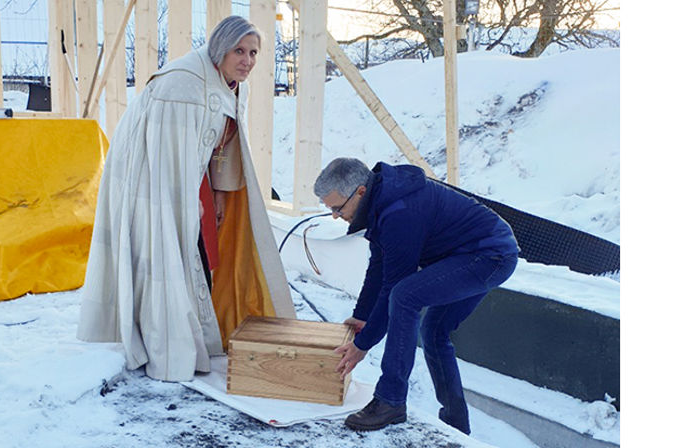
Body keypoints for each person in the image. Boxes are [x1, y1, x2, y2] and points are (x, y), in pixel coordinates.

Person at [77, 16, 295, 382]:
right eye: (239, 51)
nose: (247, 61)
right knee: (168, 250)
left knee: (203, 250)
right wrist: (184, 198)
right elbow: (165, 156)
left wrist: (219, 193)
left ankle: (201, 326)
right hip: (153, 183)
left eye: (254, 53)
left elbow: (221, 144)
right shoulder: (183, 85)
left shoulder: (231, 85)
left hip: (193, 178)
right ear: (220, 49)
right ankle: (169, 339)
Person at [313, 157, 519, 434]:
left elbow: (393, 286)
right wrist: (362, 316)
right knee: (434, 331)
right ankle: (456, 424)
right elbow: (378, 267)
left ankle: (390, 401)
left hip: (489, 256)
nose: (335, 216)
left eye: (337, 208)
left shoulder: (399, 212)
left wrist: (363, 344)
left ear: (360, 191)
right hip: (469, 254)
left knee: (405, 296)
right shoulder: (380, 203)